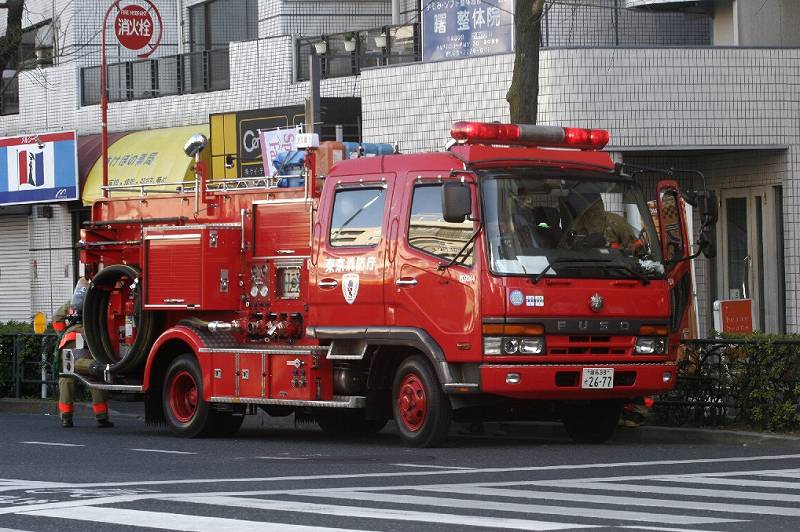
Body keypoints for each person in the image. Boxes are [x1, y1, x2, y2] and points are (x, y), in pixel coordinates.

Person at [53, 277, 114, 429]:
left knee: (67, 378)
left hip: (70, 341)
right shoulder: (97, 303)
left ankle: (66, 418)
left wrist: (63, 332)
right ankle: (102, 418)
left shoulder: (72, 304)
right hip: (91, 341)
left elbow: (56, 319)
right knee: (96, 377)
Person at [562, 187, 636, 249]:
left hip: (615, 260)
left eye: (596, 209)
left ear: (602, 204)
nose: (592, 214)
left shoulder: (616, 221)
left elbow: (634, 247)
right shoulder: (578, 224)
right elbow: (569, 246)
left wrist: (613, 247)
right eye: (588, 211)